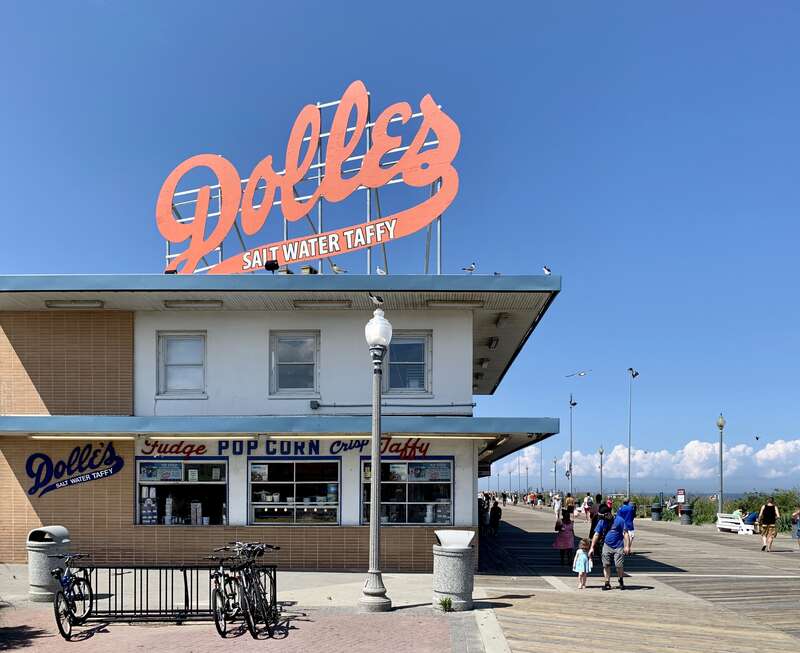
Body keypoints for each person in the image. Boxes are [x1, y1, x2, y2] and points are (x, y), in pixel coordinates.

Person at [589, 508, 630, 590]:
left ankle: (620, 580)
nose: (602, 519)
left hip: (618, 546)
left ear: (608, 514)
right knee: (606, 564)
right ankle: (607, 582)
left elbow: (625, 533)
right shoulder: (602, 521)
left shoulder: (619, 520)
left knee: (619, 565)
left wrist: (627, 546)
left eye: (603, 516)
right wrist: (592, 547)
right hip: (607, 545)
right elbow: (596, 534)